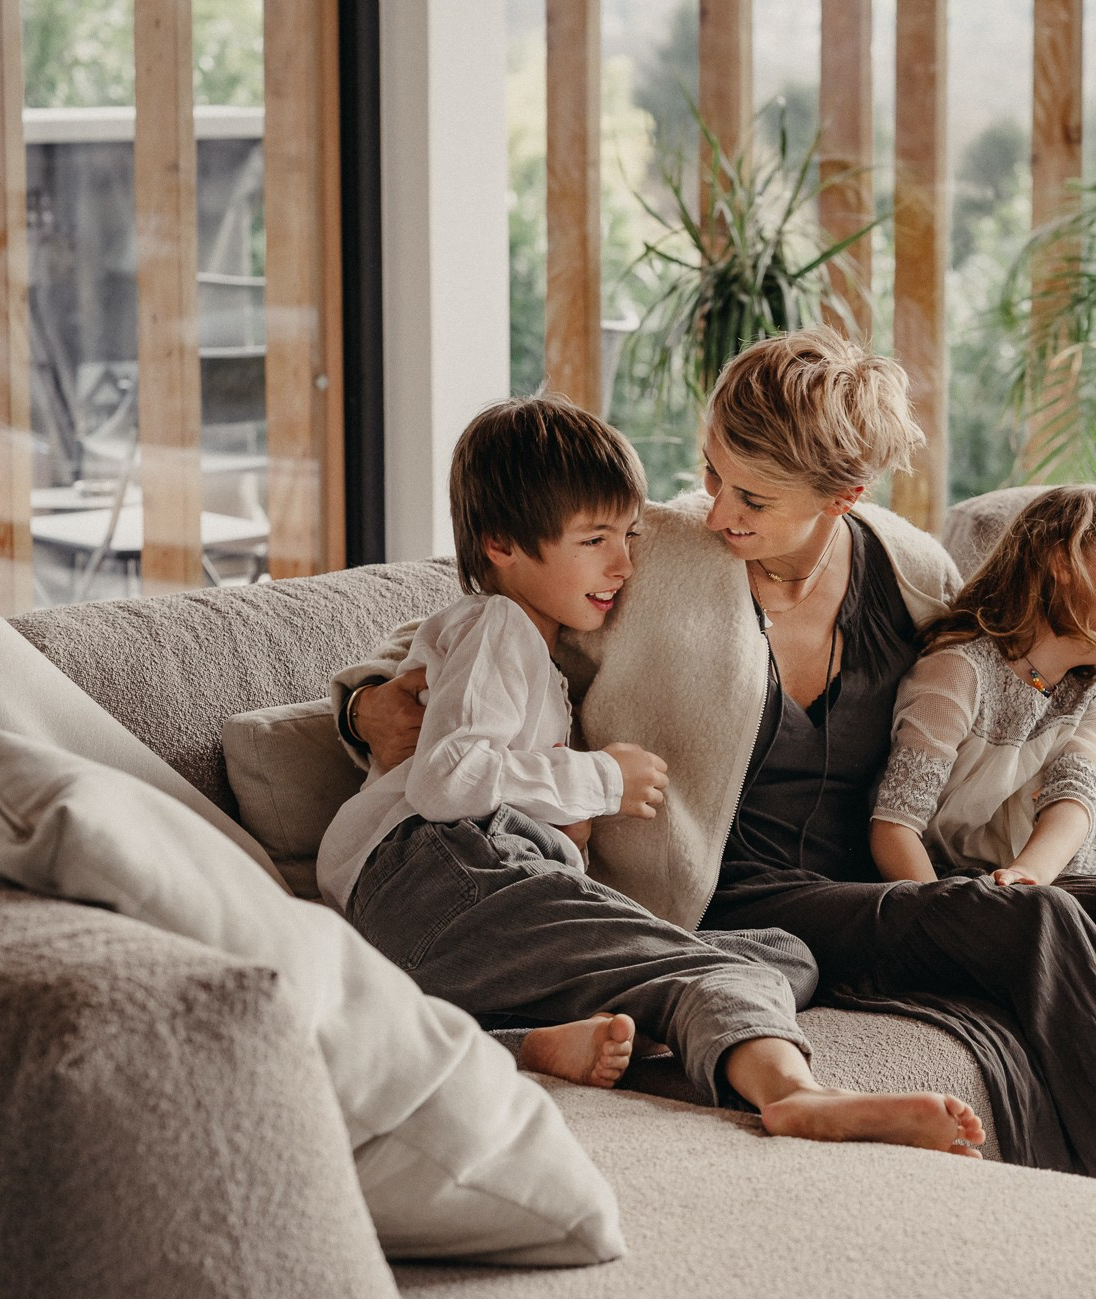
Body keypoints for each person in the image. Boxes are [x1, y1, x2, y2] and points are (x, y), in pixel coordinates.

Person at [344, 329, 1096, 1247]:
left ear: (843, 494)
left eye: (755, 498)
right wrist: (362, 705)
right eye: (714, 476)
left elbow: (1022, 651)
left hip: (869, 890)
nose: (719, 513)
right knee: (1027, 923)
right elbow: (452, 622)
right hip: (731, 899)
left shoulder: (903, 563)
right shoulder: (662, 561)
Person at [320, 394, 984, 1155]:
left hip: (462, 900)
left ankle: (528, 1041)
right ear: (502, 543)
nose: (625, 564)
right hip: (437, 867)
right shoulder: (494, 625)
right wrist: (598, 778)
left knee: (783, 956)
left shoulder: (538, 647)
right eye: (595, 539)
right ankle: (796, 1095)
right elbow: (445, 779)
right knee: (710, 973)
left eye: (628, 536)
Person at [869, 487, 1096, 916]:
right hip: (946, 857)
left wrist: (1032, 873)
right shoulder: (959, 672)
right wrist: (940, 917)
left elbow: (1073, 798)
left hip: (1043, 842)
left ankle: (1032, 895)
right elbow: (895, 824)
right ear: (1063, 559)